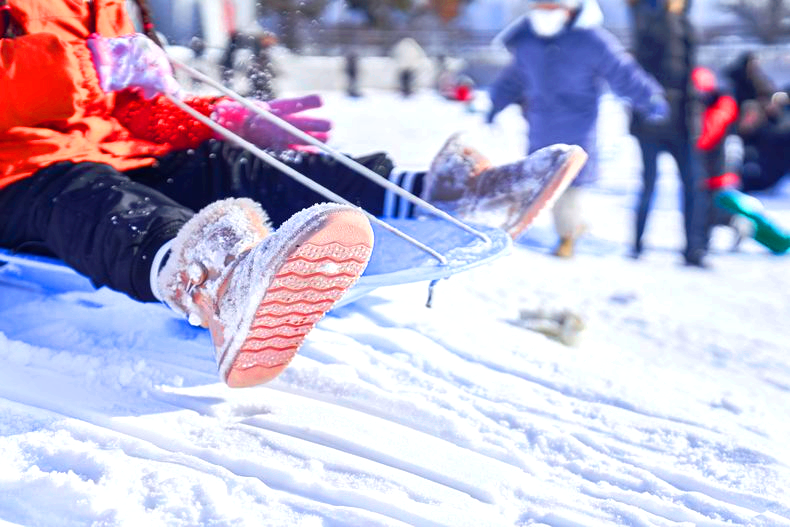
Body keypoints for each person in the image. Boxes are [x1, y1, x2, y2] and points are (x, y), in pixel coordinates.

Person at [0, 0, 586, 388]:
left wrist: (218, 117)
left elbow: (133, 103)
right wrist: (87, 65)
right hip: (19, 167)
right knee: (93, 202)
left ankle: (436, 195)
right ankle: (219, 282)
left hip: (117, 146)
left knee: (243, 168)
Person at [486, 0, 669, 258]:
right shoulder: (529, 42)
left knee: (569, 182)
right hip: (539, 124)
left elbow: (622, 72)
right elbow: (512, 78)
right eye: (541, 7)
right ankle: (573, 227)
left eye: (551, 8)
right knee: (545, 184)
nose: (544, 14)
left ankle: (567, 238)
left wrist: (649, 98)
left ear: (569, 10)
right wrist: (495, 103)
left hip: (578, 126)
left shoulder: (592, 40)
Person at [627, 0, 709, 266]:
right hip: (651, 123)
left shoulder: (685, 24)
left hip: (682, 124)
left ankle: (693, 249)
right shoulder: (647, 19)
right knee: (649, 183)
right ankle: (637, 245)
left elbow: (688, 75)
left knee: (692, 185)